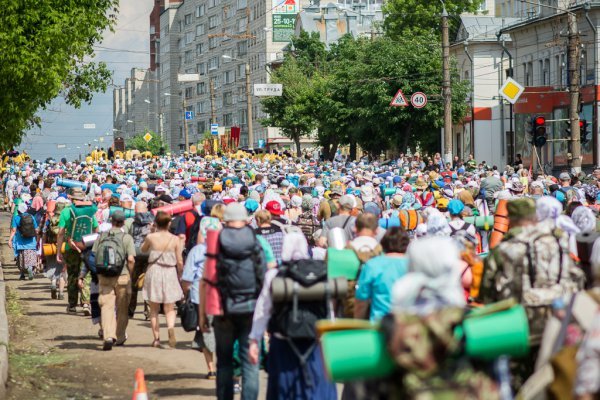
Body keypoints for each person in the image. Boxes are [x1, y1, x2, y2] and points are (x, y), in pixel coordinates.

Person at [248, 232, 337, 399]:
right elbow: (329, 309)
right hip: (316, 342)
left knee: (284, 391)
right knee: (317, 389)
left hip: (283, 343)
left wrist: (255, 340)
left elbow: (262, 310)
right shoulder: (322, 273)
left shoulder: (275, 275)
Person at [213, 202, 266, 400]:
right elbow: (263, 276)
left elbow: (208, 277)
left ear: (225, 220)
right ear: (245, 220)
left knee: (224, 362)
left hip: (223, 307)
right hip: (250, 308)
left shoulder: (216, 240)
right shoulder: (254, 240)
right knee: (250, 363)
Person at [91, 210, 136, 350]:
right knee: (122, 308)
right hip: (122, 276)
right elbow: (130, 259)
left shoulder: (102, 236)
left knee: (107, 305)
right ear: (123, 222)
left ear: (111, 221)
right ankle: (120, 335)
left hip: (104, 276)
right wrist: (131, 275)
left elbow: (94, 254)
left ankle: (108, 336)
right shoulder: (127, 238)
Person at [140, 211, 184, 349]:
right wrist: (180, 275)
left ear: (156, 223)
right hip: (170, 270)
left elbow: (143, 250)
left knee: (154, 308)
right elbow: (180, 260)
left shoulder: (151, 237)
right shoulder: (175, 239)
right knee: (169, 307)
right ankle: (170, 327)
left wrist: (152, 231)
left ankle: (157, 339)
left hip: (155, 270)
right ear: (169, 223)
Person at [56, 187, 98, 314]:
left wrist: (58, 251)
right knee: (87, 276)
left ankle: (72, 305)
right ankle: (86, 303)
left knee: (73, 275)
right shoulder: (89, 211)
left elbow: (60, 233)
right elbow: (96, 228)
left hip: (71, 247)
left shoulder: (66, 211)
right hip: (87, 247)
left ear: (70, 198)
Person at [354, 227, 410, 321]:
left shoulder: (372, 265)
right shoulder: (413, 265)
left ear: (383, 244)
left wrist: (358, 323)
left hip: (379, 325)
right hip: (407, 325)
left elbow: (361, 301)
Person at [9, 202, 39, 280]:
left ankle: (22, 274)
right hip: (31, 241)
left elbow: (13, 230)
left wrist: (10, 240)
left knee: (21, 258)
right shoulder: (31, 217)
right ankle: (30, 268)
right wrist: (38, 238)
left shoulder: (16, 218)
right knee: (31, 256)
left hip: (20, 241)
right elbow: (36, 229)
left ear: (18, 210)